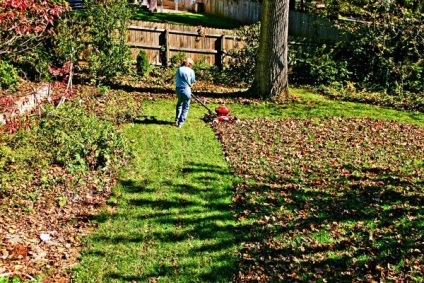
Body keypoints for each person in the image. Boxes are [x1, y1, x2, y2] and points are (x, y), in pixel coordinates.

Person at [175, 58, 195, 128]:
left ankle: (177, 120)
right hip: (186, 90)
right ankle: (181, 122)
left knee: (179, 103)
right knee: (186, 107)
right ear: (190, 65)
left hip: (178, 89)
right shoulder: (191, 71)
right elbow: (192, 81)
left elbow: (177, 78)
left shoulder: (179, 69)